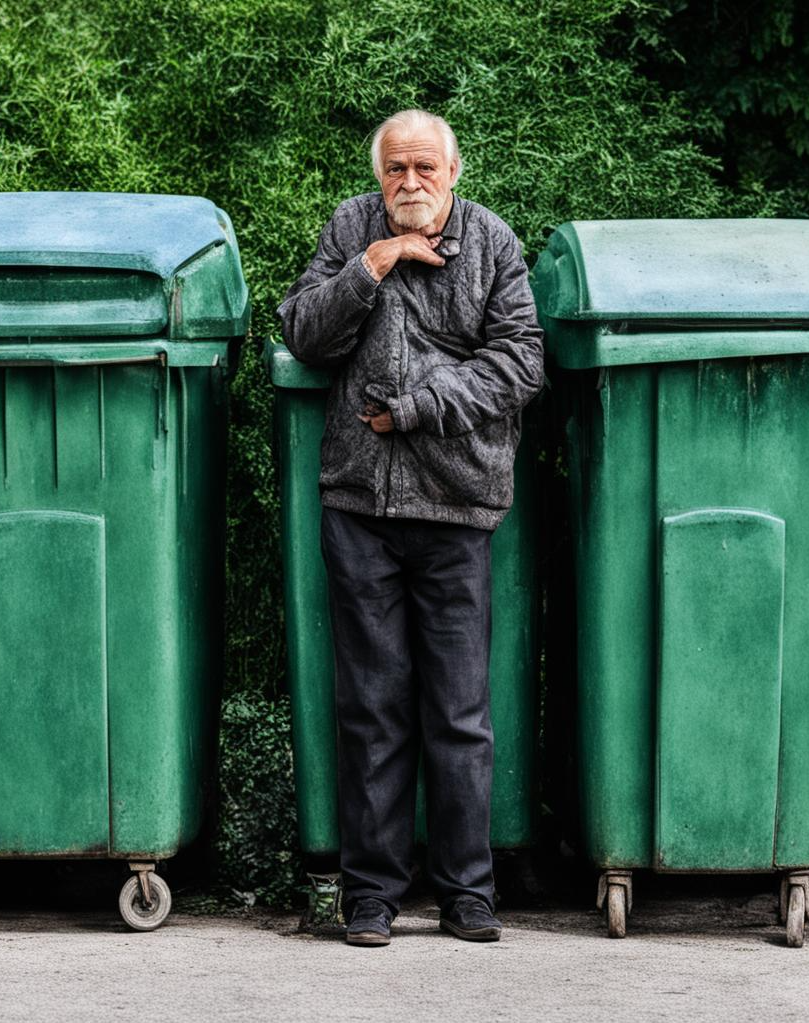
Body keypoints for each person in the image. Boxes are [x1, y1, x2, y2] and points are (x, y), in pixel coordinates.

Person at [277, 109, 543, 947]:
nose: (411, 183)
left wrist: (421, 408)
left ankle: (468, 892)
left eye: (426, 167)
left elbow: (521, 359)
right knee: (371, 707)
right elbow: (303, 331)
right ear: (379, 175)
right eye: (396, 169)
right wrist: (372, 267)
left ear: (455, 172)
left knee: (460, 711)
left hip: (457, 505)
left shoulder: (492, 244)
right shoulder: (352, 229)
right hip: (359, 506)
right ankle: (371, 896)